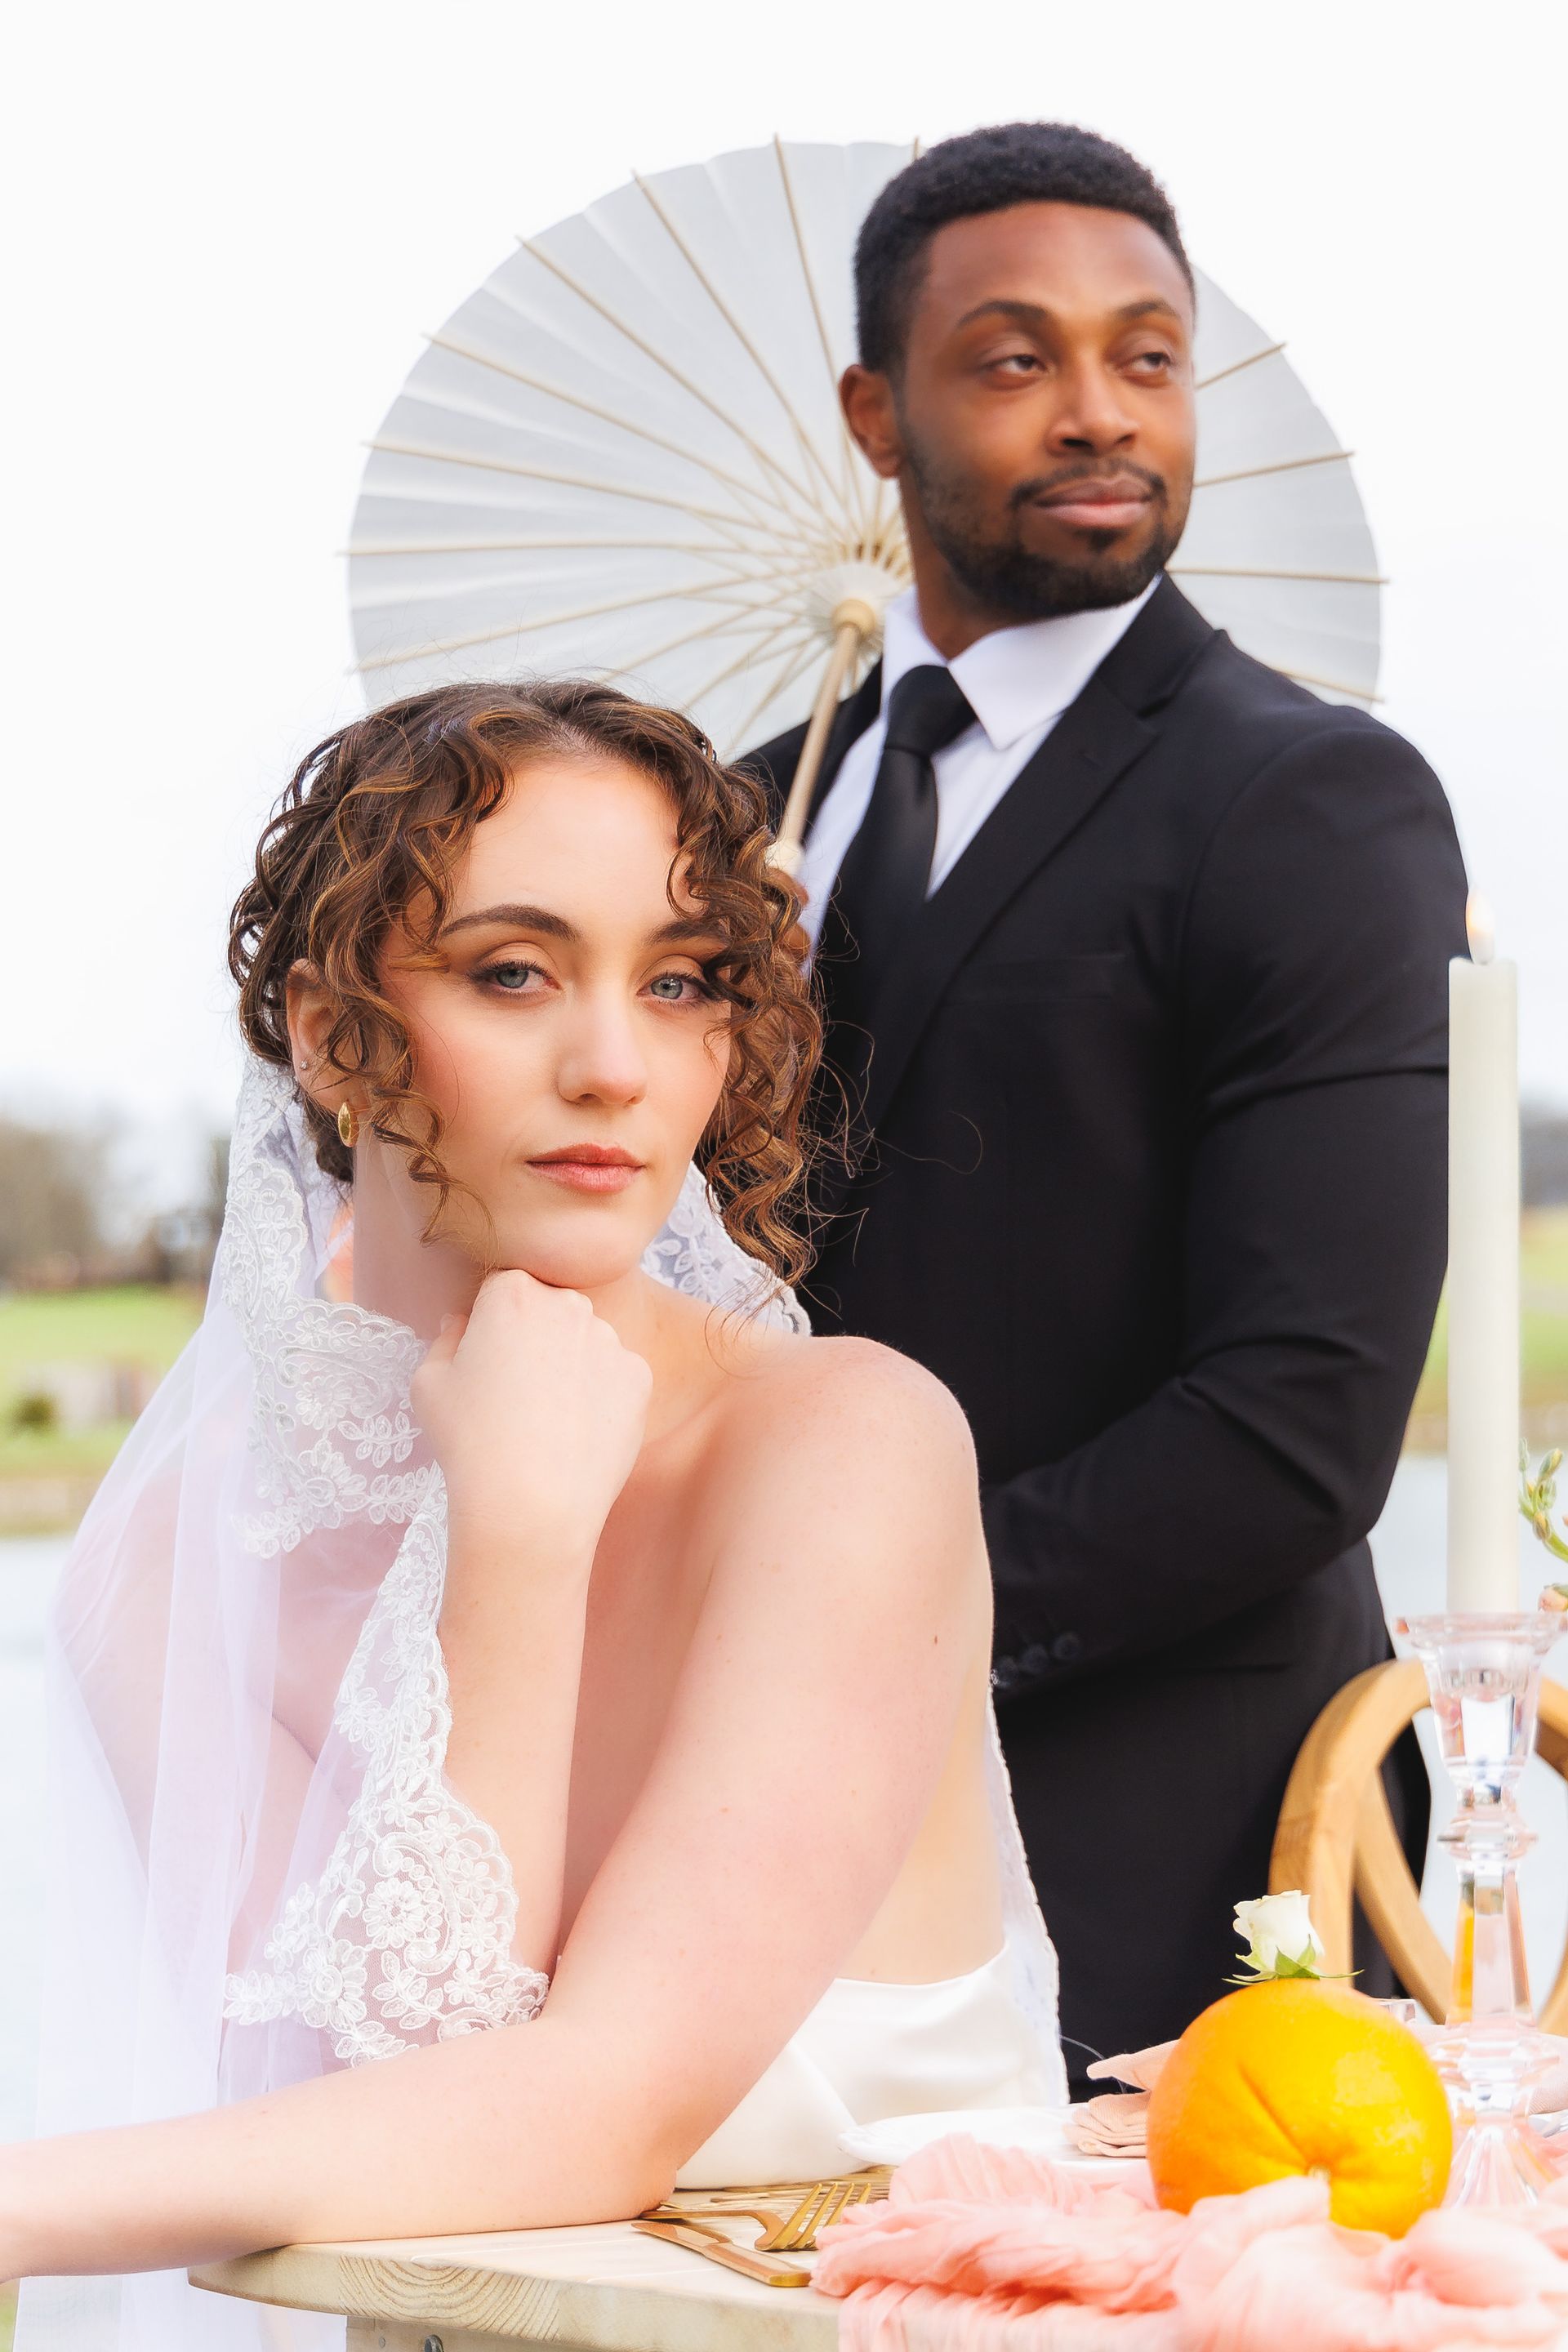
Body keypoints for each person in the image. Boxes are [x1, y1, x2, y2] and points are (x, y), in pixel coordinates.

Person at [8, 683, 1065, 2350]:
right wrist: (509, 1529)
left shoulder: (844, 1447)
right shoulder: (166, 1563)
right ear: (330, 1034)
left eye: (679, 981)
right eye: (514, 972)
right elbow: (365, 2102)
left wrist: (516, 1546)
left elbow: (590, 2114)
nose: (614, 1067)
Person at [744, 122, 1468, 2074]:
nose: (1100, 412)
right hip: (747, 1845)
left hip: (1175, 1837)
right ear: (875, 414)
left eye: (1148, 356)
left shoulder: (1307, 801)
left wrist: (843, 1639)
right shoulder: (748, 818)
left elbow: (1296, 1423)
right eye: (1016, 358)